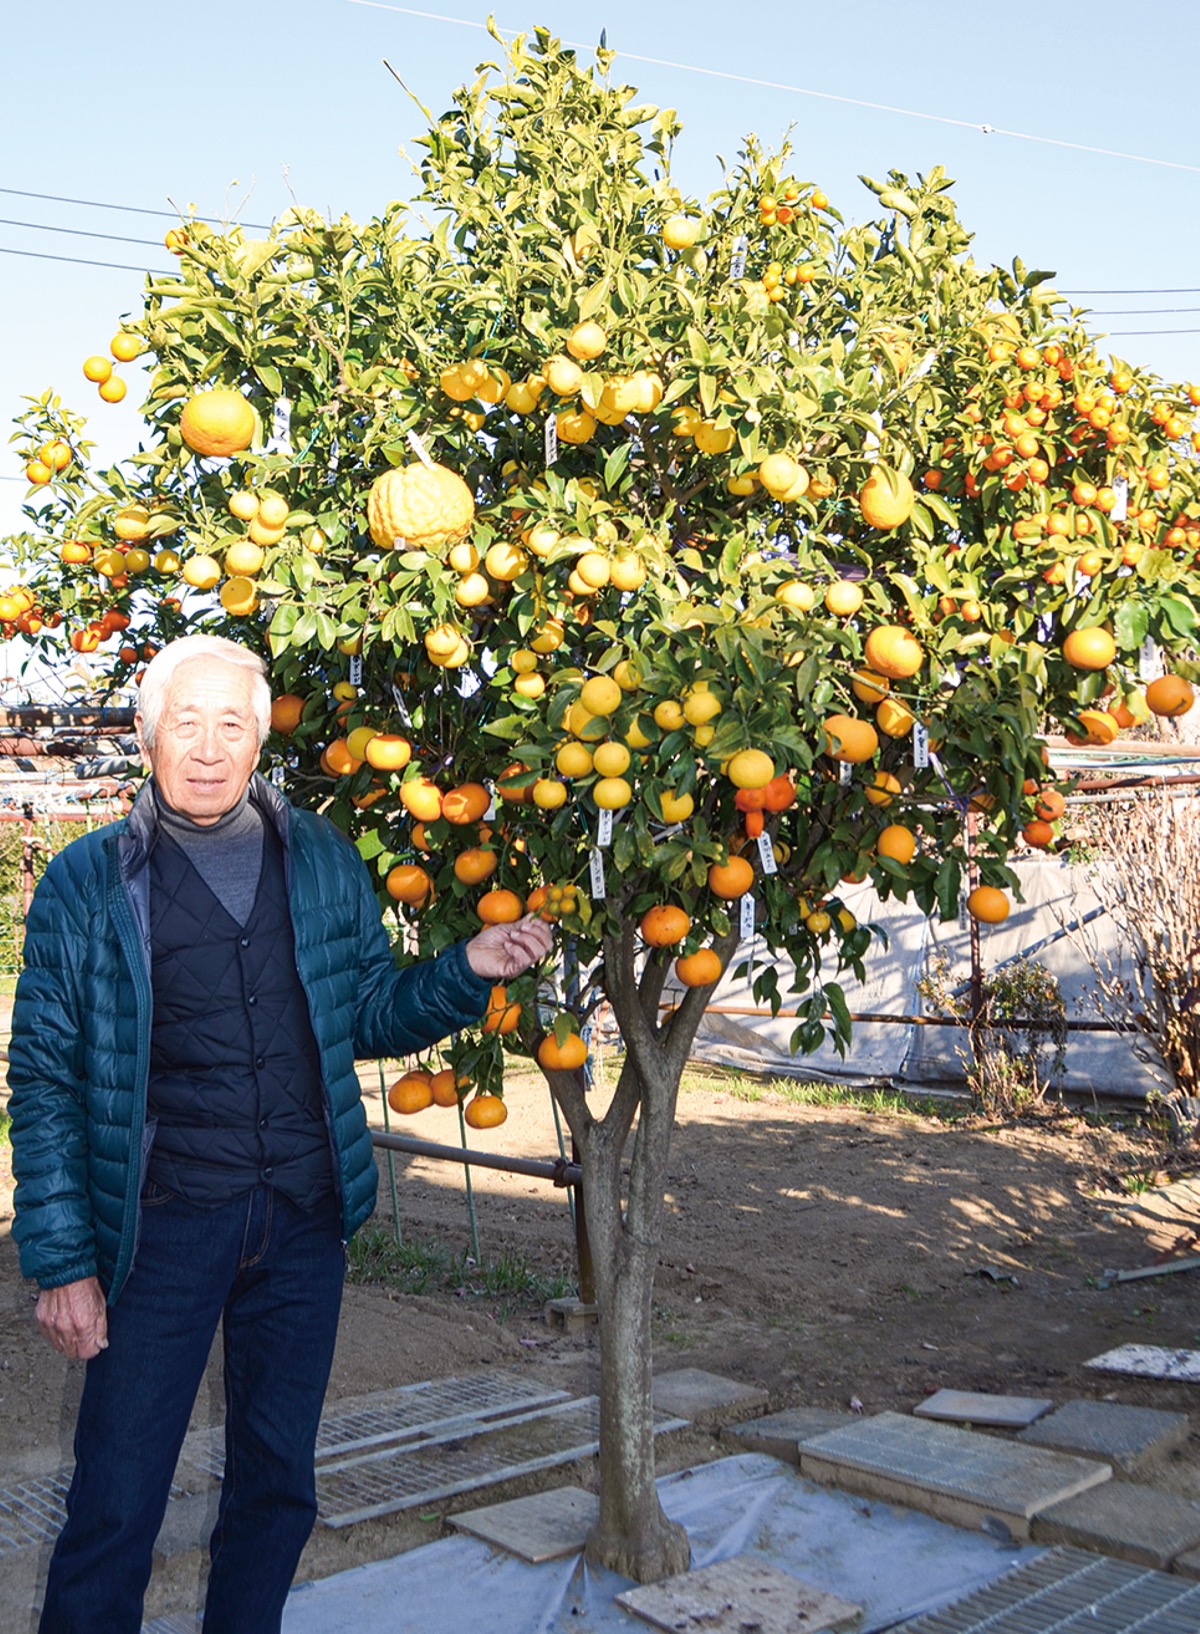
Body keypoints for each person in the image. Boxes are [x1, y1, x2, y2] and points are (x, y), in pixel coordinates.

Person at [8, 634, 553, 1634]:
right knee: (116, 1500)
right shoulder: (89, 883)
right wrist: (61, 1259)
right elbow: (43, 1072)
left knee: (278, 1487)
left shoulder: (321, 861)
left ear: (261, 741)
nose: (209, 746)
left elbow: (371, 1015)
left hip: (301, 1225)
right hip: (158, 1230)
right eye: (187, 721)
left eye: (232, 724)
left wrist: (466, 967)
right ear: (146, 733)